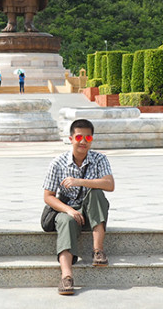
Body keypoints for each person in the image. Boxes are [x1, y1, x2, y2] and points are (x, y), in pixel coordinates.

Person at [42, 119, 114, 295]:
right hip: (68, 210)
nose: (83, 141)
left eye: (88, 137)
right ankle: (66, 276)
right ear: (71, 138)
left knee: (97, 193)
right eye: (79, 137)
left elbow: (110, 185)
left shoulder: (99, 159)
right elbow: (48, 197)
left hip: (92, 212)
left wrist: (79, 182)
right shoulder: (57, 163)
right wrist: (69, 210)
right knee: (66, 222)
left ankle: (98, 251)